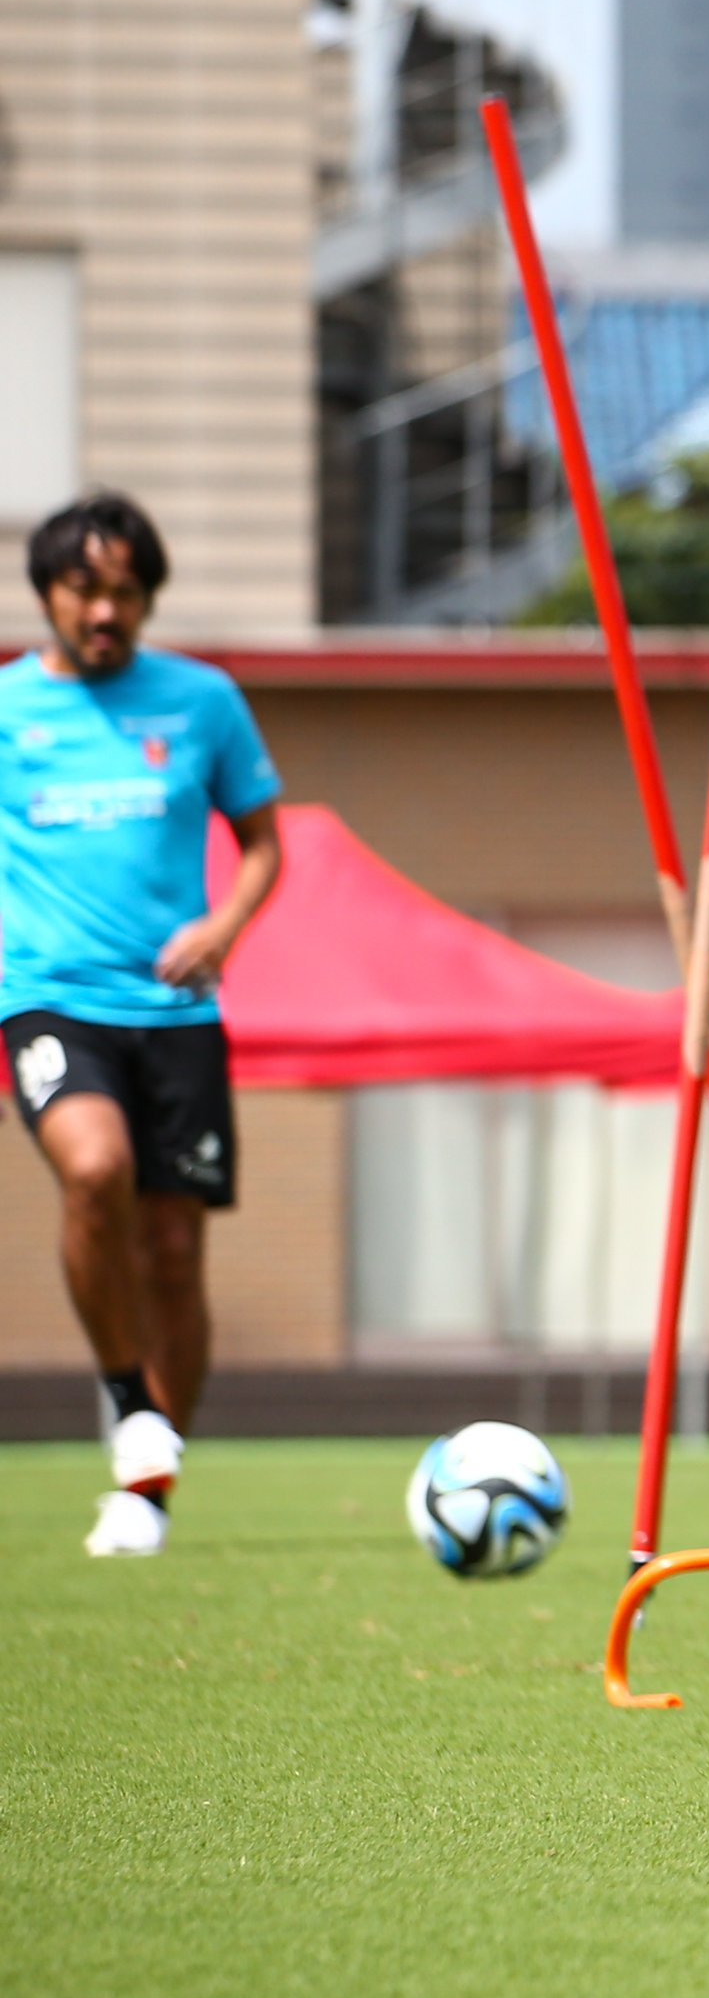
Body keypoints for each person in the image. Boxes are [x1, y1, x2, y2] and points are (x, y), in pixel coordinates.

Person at [3, 494, 285, 1559]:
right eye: (85, 589)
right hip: (50, 997)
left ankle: (149, 1491)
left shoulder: (204, 700)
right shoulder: (8, 710)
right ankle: (133, 1407)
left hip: (177, 1011)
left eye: (125, 592)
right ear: (48, 594)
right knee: (94, 1169)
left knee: (173, 1253)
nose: (105, 611)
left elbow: (264, 842)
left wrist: (224, 924)